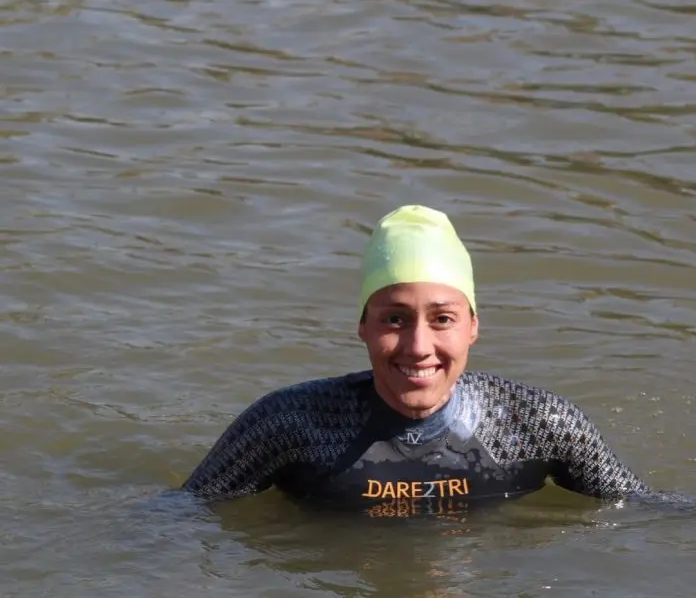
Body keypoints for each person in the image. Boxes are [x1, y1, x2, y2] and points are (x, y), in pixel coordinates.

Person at [181, 204, 687, 516]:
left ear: (473, 327)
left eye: (442, 319)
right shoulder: (289, 423)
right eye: (394, 319)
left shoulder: (539, 423)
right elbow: (180, 518)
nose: (418, 346)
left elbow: (644, 510)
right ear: (362, 326)